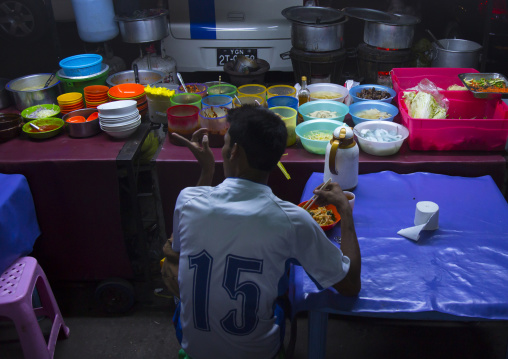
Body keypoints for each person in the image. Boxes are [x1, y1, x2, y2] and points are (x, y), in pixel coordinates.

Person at [162, 105, 361, 359]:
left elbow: (180, 248)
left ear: (234, 151)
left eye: (224, 143)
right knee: (283, 278)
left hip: (195, 349)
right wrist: (344, 208)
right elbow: (350, 285)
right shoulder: (292, 220)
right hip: (258, 353)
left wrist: (207, 171)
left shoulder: (187, 199)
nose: (223, 150)